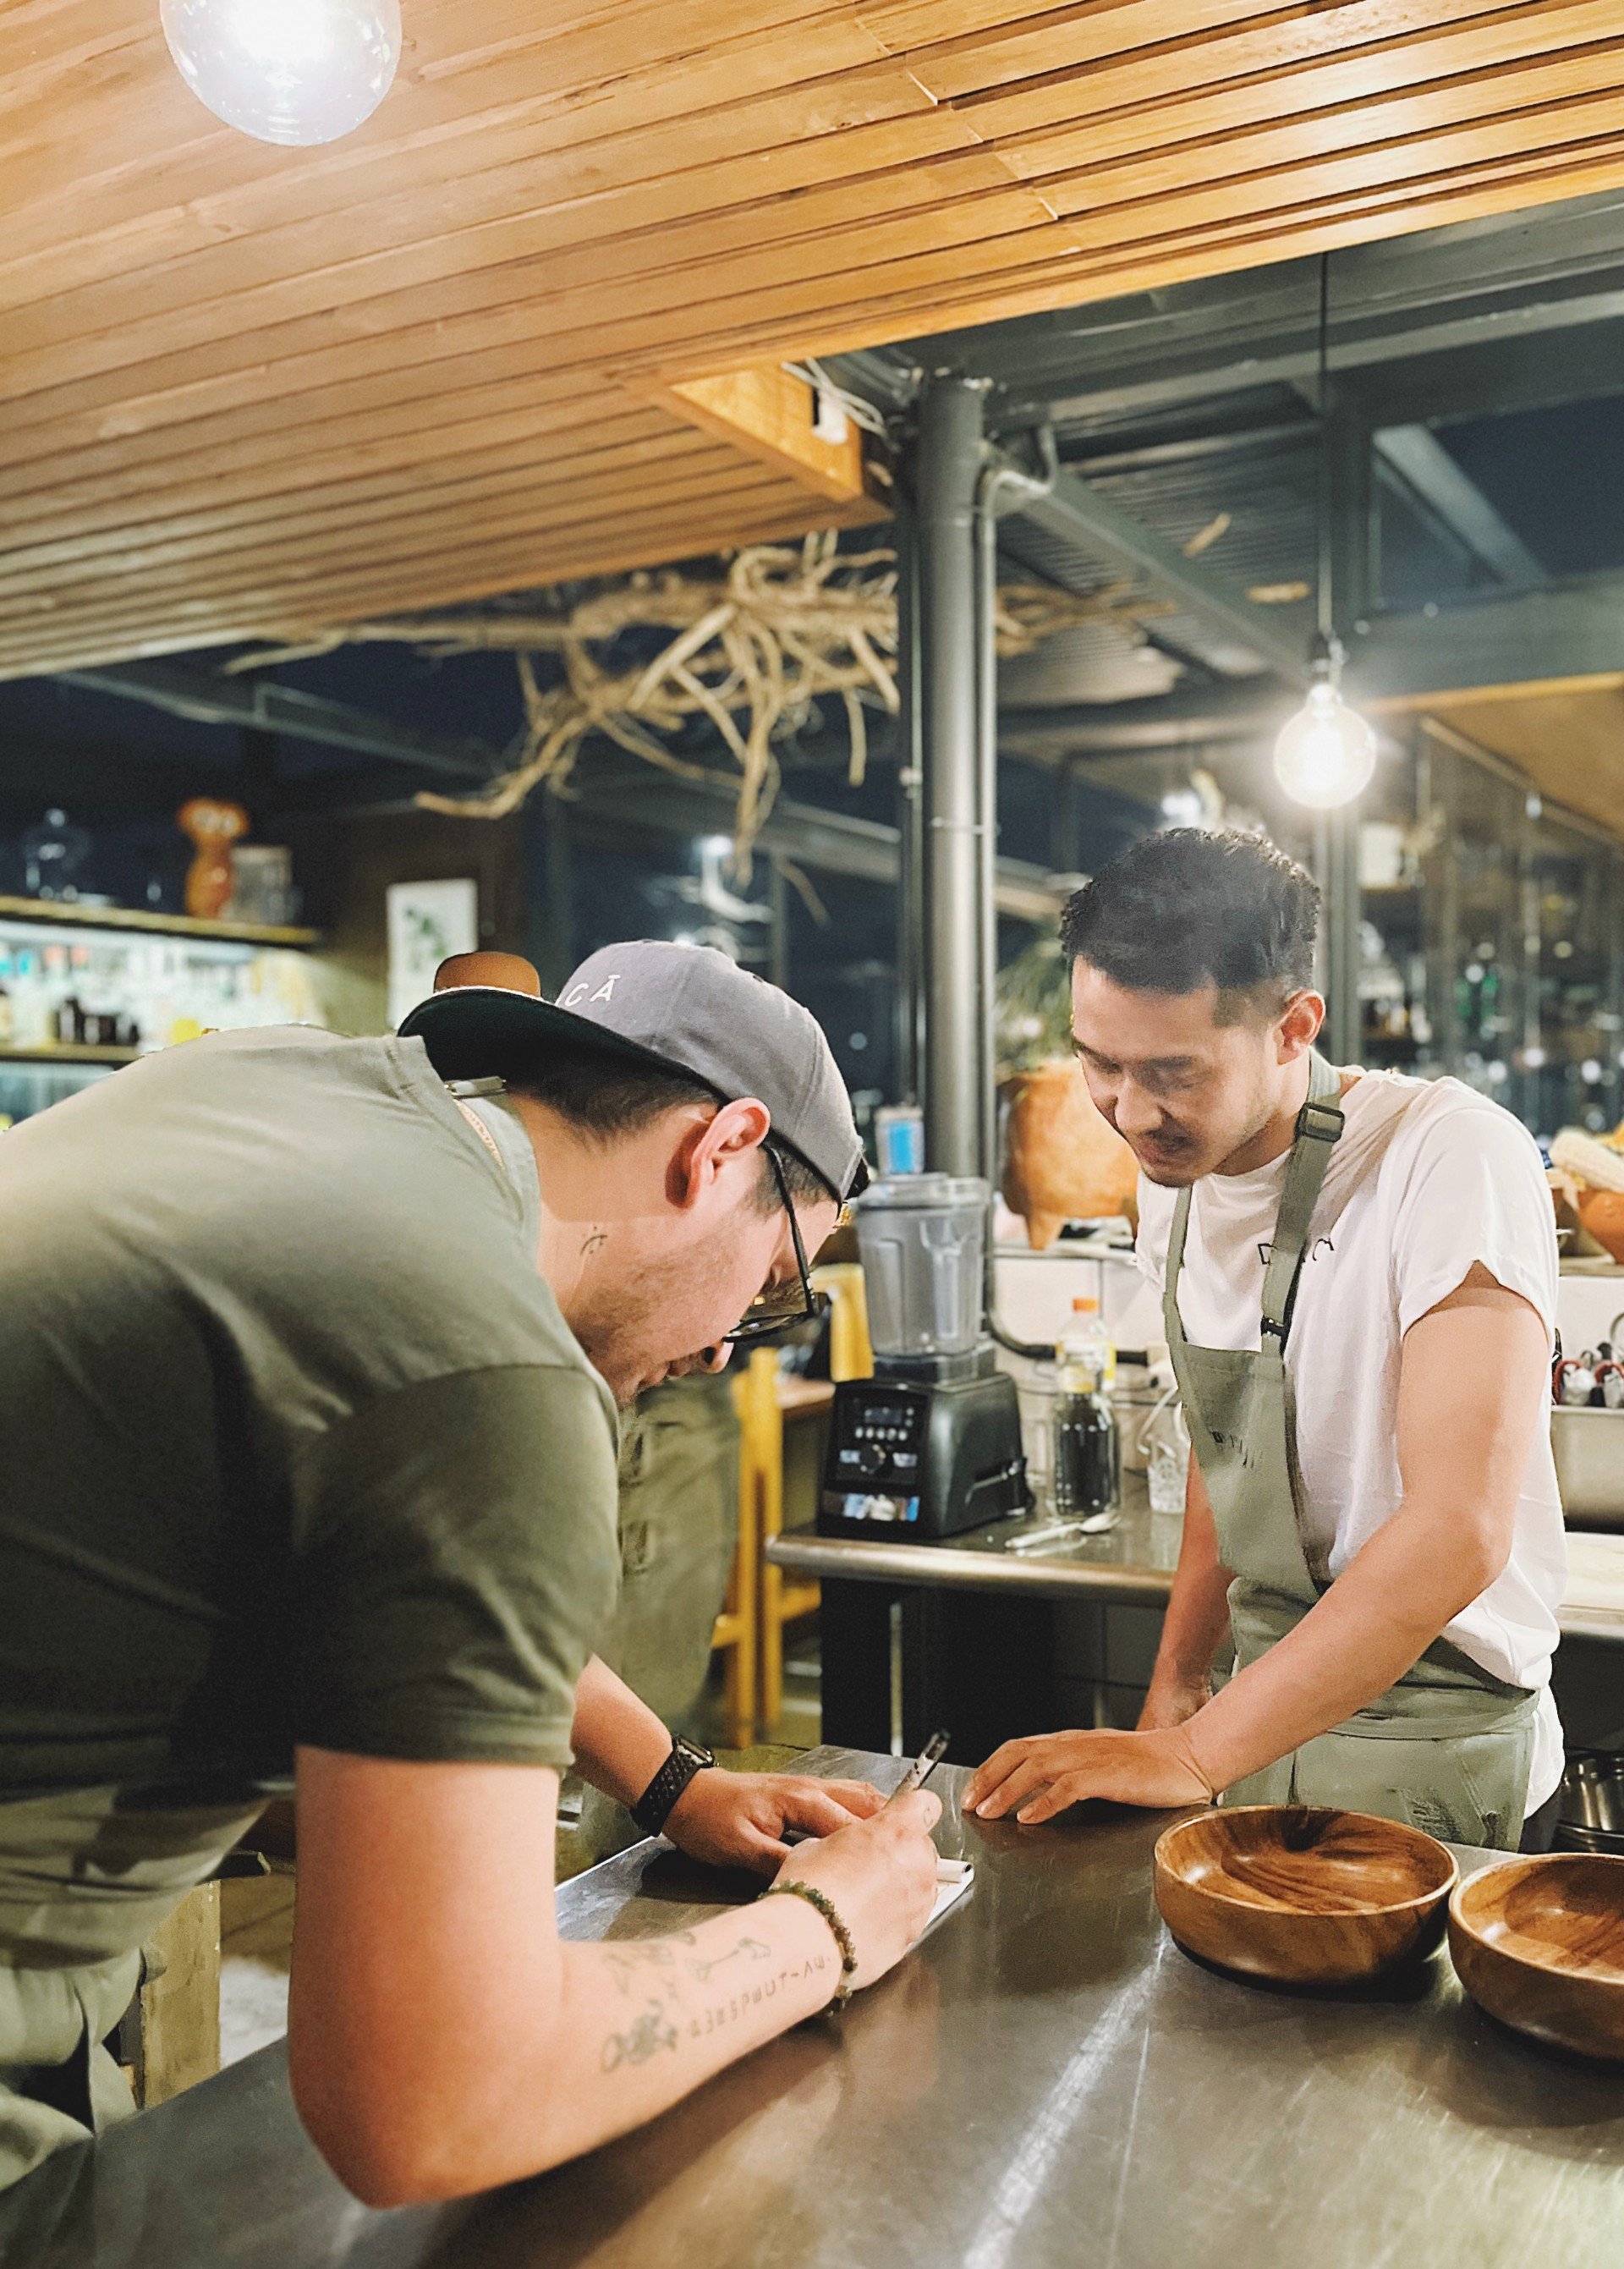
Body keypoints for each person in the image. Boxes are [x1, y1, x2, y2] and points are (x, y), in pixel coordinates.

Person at [0, 940, 939, 2201]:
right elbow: (432, 2098)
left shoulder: (280, 1088)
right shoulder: (491, 1359)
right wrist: (826, 1928)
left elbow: (409, 1563)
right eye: (773, 1282)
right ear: (719, 1150)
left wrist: (666, 1781)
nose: (727, 1349)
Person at [967, 829, 1566, 1854]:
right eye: (1098, 1062)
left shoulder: (1448, 1153)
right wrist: (1177, 1692)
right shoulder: (1176, 1186)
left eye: (1173, 1071)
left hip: (1436, 1737)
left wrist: (1194, 1754)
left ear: (1294, 1027)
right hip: (1258, 1718)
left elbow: (1460, 1529)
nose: (1130, 1110)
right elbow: (1229, 1452)